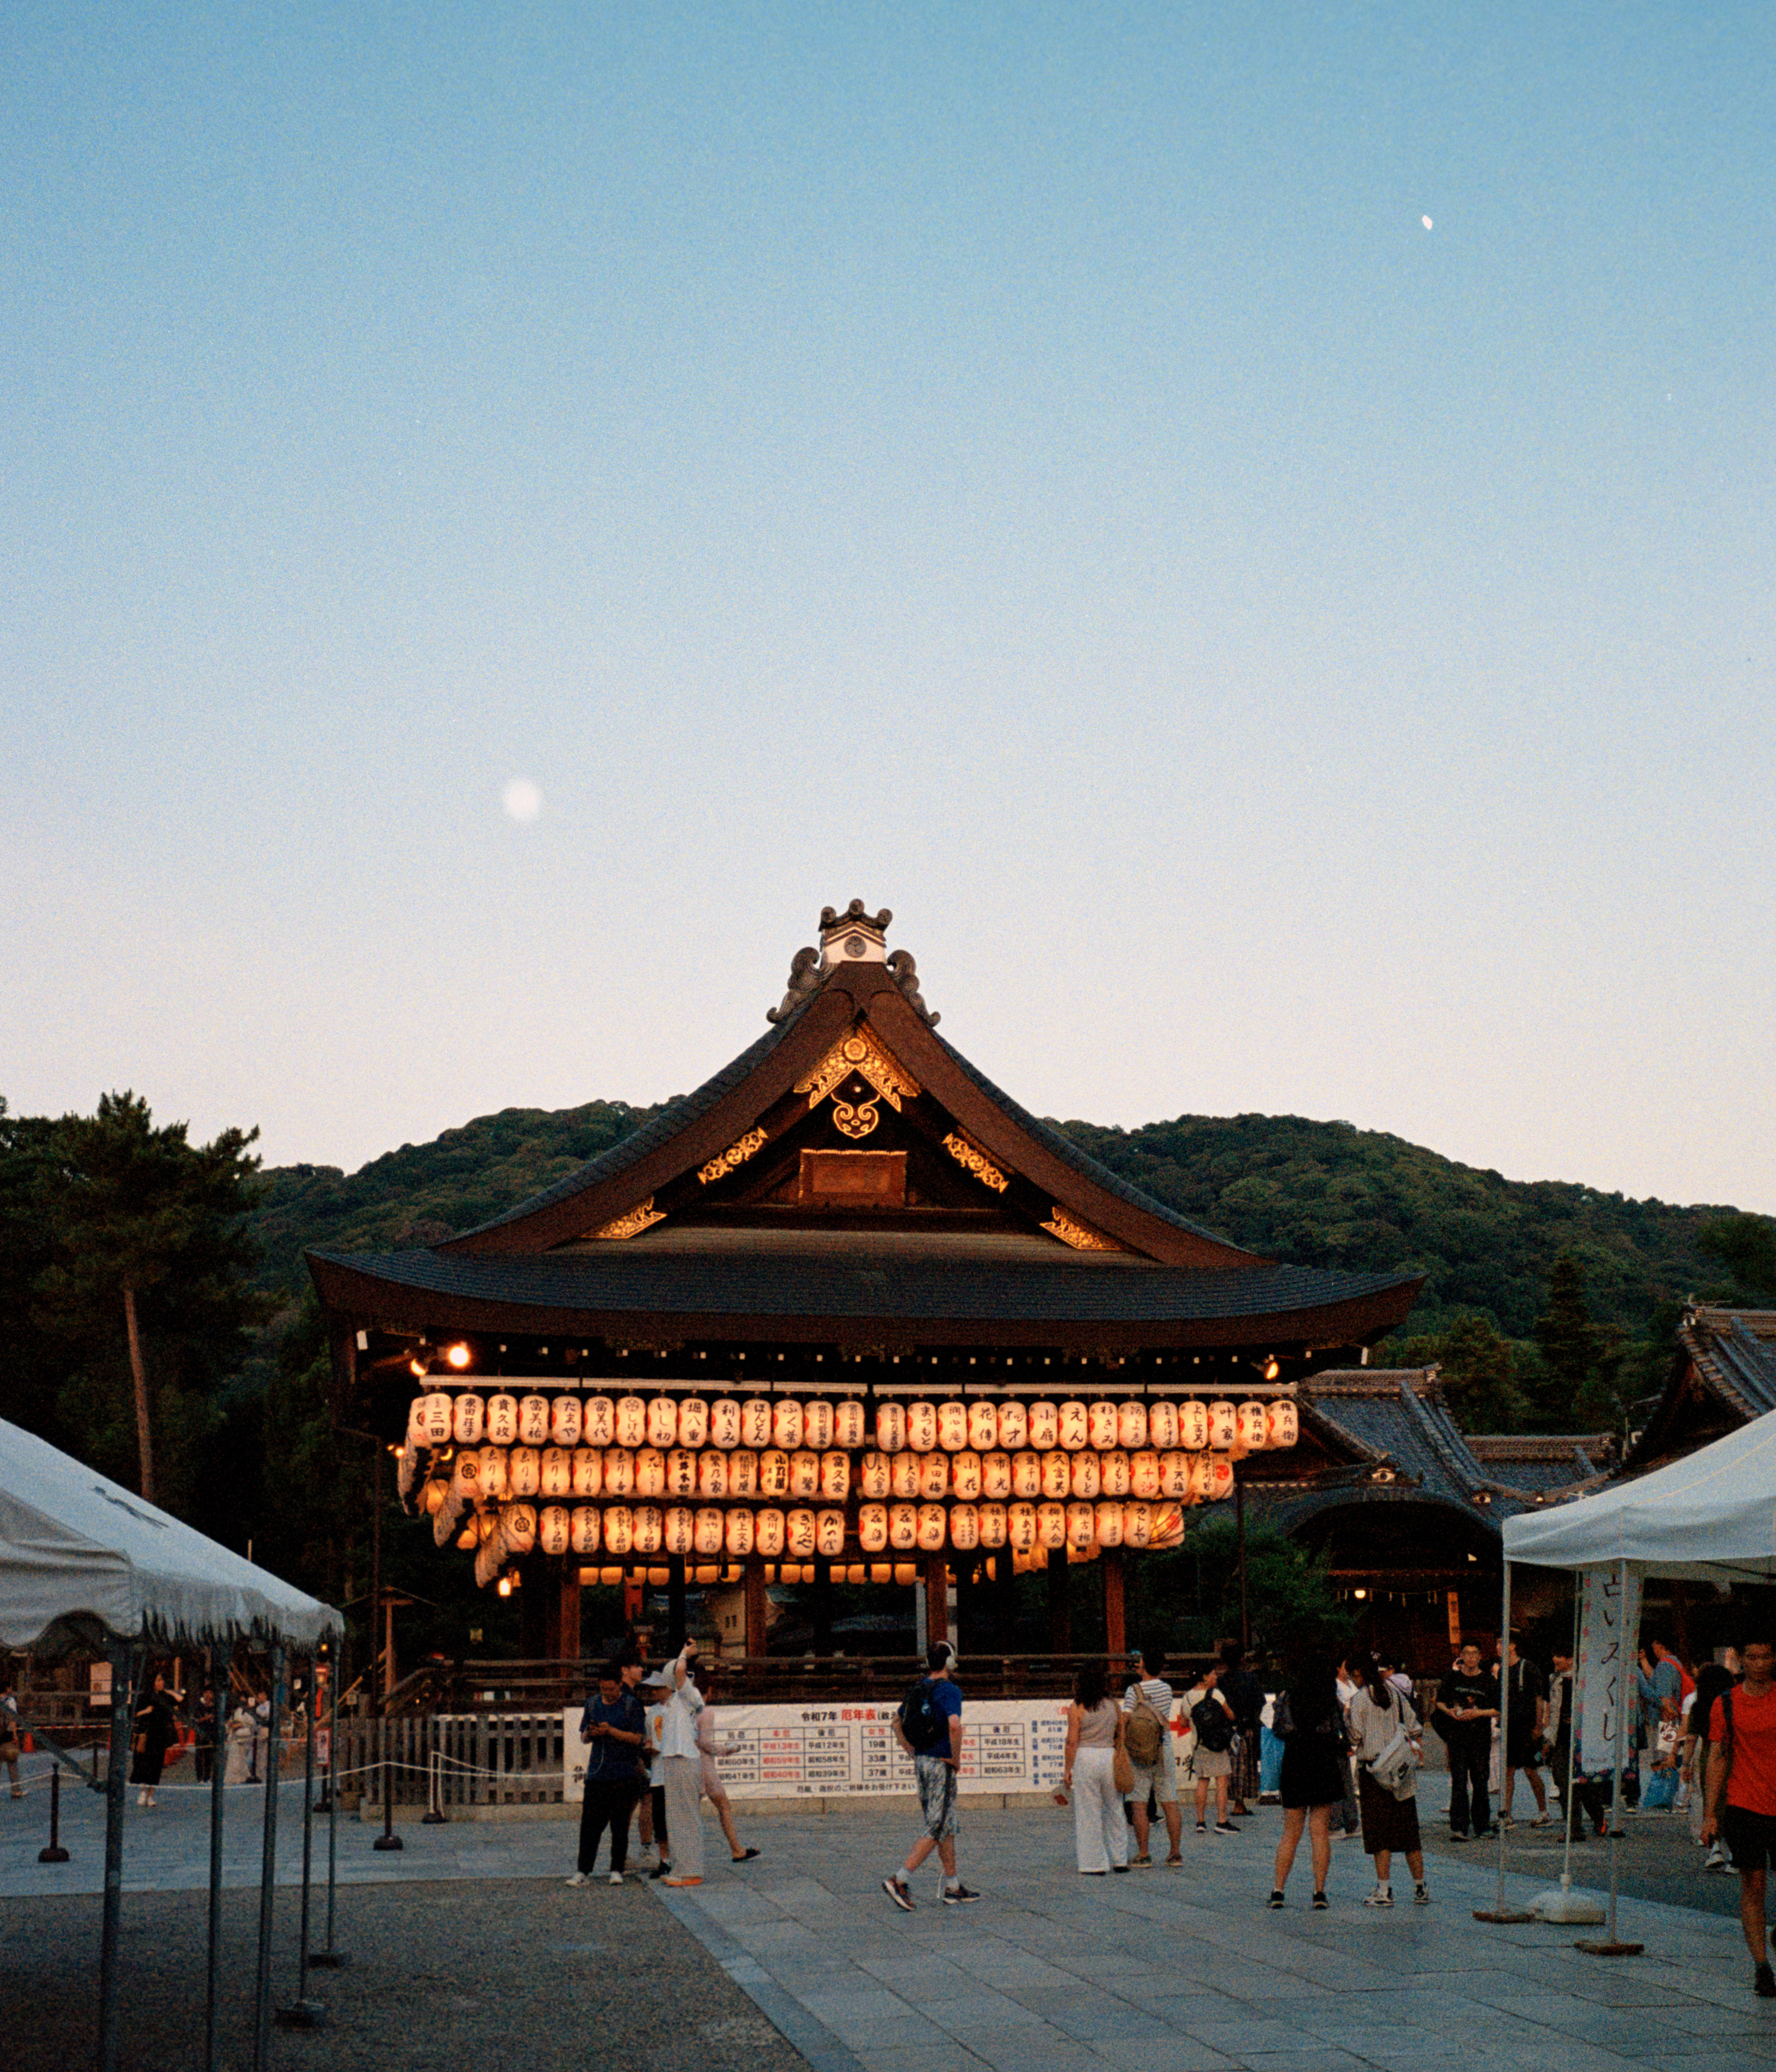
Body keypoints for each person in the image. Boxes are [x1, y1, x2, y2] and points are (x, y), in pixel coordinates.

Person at [1699, 1626, 1776, 1997]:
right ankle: (1761, 1965)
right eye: (1753, 1657)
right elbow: (1717, 1755)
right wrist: (1710, 1813)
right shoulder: (1726, 1703)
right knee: (1753, 1883)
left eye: (1766, 1656)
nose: (1760, 1664)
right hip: (1744, 1804)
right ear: (1740, 1660)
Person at [883, 1642, 979, 1910]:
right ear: (950, 1663)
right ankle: (900, 1879)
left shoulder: (917, 1689)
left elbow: (895, 1723)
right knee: (937, 1826)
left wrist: (911, 1750)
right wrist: (956, 1759)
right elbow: (955, 1725)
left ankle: (953, 1886)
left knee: (944, 1824)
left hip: (922, 1762)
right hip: (941, 1764)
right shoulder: (950, 1690)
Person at [1346, 1653, 1429, 1907]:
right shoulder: (1396, 1694)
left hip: (1374, 1771)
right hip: (1401, 1770)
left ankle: (1384, 1889)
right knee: (1408, 1830)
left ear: (1359, 1673)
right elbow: (1415, 1728)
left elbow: (1355, 1737)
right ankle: (1420, 1887)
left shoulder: (1359, 1700)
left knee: (1379, 1830)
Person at [1267, 1649, 1346, 1910]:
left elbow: (1279, 1729)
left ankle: (1278, 1890)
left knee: (1291, 1832)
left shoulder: (1289, 1698)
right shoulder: (1330, 1700)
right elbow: (1339, 1732)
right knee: (1319, 1832)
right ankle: (1319, 1892)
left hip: (1296, 1762)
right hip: (1323, 1763)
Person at [568, 1660, 646, 1886]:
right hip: (597, 1774)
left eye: (612, 1689)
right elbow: (583, 1736)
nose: (608, 1693)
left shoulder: (631, 1705)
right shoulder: (592, 1704)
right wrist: (592, 1733)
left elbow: (638, 1738)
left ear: (620, 1685)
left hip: (624, 1772)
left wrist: (611, 1731)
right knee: (590, 1826)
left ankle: (617, 1869)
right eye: (604, 1689)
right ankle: (583, 1870)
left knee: (620, 1826)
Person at [1063, 1662, 1130, 1874]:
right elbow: (1121, 1732)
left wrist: (1067, 1769)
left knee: (1089, 1812)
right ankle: (1120, 1860)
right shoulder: (1113, 1705)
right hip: (1109, 1756)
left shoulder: (1077, 1707)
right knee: (1115, 1809)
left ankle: (1094, 1863)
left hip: (1086, 1757)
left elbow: (1072, 1741)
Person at [1121, 1647, 1182, 1864]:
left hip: (1139, 1752)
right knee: (1170, 1801)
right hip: (1162, 1749)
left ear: (1144, 1666)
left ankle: (1144, 1854)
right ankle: (1175, 1853)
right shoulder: (1167, 1689)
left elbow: (1125, 1718)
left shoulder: (1132, 1690)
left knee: (1139, 1803)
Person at [1433, 1642, 1497, 1841]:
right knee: (1459, 1782)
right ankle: (1459, 1826)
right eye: (1466, 1654)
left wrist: (1477, 1713)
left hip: (1480, 1737)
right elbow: (1440, 1701)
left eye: (1474, 1654)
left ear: (1480, 1657)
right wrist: (1449, 1711)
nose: (1470, 1658)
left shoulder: (1488, 1681)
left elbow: (1498, 1709)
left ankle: (1482, 1825)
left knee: (1480, 1781)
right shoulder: (1452, 1677)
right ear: (1461, 1657)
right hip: (1457, 1736)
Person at [696, 1664, 760, 1864]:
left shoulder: (680, 1709)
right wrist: (727, 1749)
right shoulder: (706, 1712)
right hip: (703, 1766)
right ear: (709, 1689)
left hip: (684, 1764)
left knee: (686, 1811)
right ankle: (736, 1849)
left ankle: (669, 1854)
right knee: (723, 1805)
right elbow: (705, 1744)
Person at [656, 1639, 707, 1888]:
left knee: (685, 1817)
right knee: (675, 1817)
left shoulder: (689, 1694)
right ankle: (682, 1867)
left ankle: (691, 1870)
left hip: (684, 1760)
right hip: (676, 1761)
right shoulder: (676, 1700)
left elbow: (679, 1672)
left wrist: (684, 1652)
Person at [1546, 1646, 1609, 1841]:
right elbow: (1552, 1711)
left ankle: (1598, 1818)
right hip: (1561, 1738)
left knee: (1585, 1785)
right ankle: (1574, 1828)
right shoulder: (1554, 1680)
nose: (1556, 1660)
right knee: (1563, 1782)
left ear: (1572, 1659)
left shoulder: (1585, 1680)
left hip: (1583, 1739)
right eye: (1555, 1656)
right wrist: (1548, 1737)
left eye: (1560, 1656)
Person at [1494, 1633, 1549, 1827]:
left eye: (1502, 1643)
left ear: (1513, 1646)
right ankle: (1507, 1814)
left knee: (1530, 1770)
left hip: (1527, 1726)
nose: (1498, 1647)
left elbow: (1538, 1699)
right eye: (1497, 1643)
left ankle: (1544, 1812)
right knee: (1508, 1771)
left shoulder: (1529, 1668)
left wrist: (1538, 1725)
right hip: (1509, 1726)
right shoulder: (1501, 1670)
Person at [1687, 1662, 1737, 1870]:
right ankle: (1735, 1855)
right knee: (1733, 1803)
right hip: (1733, 1754)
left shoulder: (1699, 1706)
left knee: (1711, 1800)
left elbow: (1691, 1737)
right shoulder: (1732, 1702)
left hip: (1708, 1753)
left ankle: (1715, 1849)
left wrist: (1685, 1763)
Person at [1185, 1665, 1240, 1836]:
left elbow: (1183, 1723)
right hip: (1217, 1745)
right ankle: (1221, 1821)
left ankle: (1200, 1822)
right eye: (1213, 1674)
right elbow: (1231, 1715)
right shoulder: (1216, 1694)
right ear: (1205, 1677)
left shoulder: (1187, 1697)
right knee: (1222, 1783)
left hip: (1198, 1744)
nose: (1216, 1677)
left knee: (1202, 1782)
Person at [1219, 1643, 1267, 1818]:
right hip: (1248, 1728)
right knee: (1246, 1766)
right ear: (1241, 1659)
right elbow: (1259, 1704)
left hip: (1228, 1730)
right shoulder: (1251, 1678)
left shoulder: (1221, 1681)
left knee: (1230, 1767)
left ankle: (1232, 1803)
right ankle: (1240, 1804)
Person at [130, 1669, 179, 1810]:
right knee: (143, 1764)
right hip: (146, 1734)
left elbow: (180, 1700)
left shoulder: (165, 1696)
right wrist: (146, 1711)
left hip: (160, 1735)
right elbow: (134, 1714)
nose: (161, 1682)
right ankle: (143, 1792)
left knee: (157, 1766)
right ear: (152, 1682)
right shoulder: (144, 1697)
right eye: (158, 1680)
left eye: (162, 1680)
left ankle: (151, 1795)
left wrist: (169, 1691)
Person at [1331, 1657, 1361, 1839]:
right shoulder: (1332, 1687)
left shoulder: (1350, 1683)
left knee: (1343, 1781)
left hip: (1343, 1736)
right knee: (1344, 1780)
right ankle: (1348, 1822)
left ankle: (1345, 1823)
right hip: (1341, 1735)